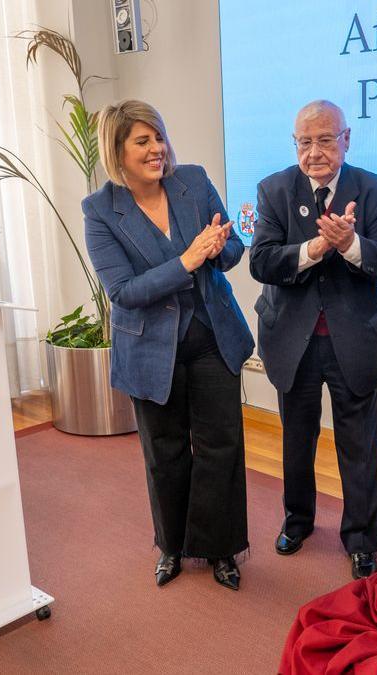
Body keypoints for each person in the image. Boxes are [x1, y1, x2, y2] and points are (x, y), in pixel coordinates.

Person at [82, 100, 254, 591]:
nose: (157, 148)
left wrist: (221, 249)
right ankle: (172, 547)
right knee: (165, 451)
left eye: (159, 136)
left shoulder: (193, 181)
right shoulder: (100, 211)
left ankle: (220, 547)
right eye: (143, 141)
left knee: (221, 446)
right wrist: (187, 259)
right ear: (118, 151)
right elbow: (124, 293)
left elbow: (234, 245)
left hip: (211, 339)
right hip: (149, 349)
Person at [249, 100, 377, 579]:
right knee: (297, 437)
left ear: (346, 139)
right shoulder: (274, 189)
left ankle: (361, 539)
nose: (314, 152)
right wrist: (314, 248)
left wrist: (349, 244)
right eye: (304, 141)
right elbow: (261, 262)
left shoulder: (374, 189)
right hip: (292, 339)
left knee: (359, 443)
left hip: (351, 339)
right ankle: (297, 522)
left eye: (324, 139)